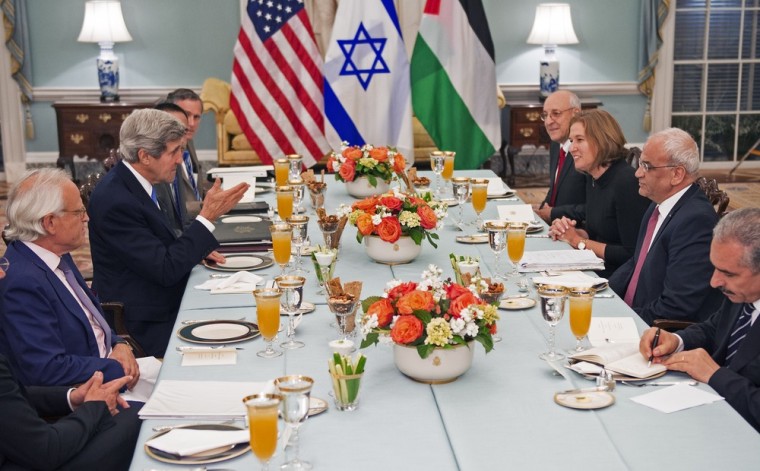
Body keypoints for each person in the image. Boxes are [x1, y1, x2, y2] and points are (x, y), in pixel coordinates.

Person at [88, 109, 249, 357]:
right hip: (146, 320)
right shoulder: (116, 200)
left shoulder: (140, 182)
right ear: (145, 156)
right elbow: (164, 269)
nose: (179, 160)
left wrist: (194, 252)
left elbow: (155, 247)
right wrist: (206, 218)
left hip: (162, 297)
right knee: (242, 336)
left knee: (245, 304)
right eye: (174, 152)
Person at [0, 168, 139, 388]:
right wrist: (116, 369)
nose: (87, 218)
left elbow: (92, 319)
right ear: (50, 223)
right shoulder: (22, 283)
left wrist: (119, 343)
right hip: (91, 397)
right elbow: (47, 369)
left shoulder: (57, 254)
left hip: (109, 371)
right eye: (78, 212)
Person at [639, 208, 760, 432]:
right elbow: (714, 329)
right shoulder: (742, 293)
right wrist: (676, 340)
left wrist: (715, 375)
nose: (714, 282)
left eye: (728, 273)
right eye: (714, 268)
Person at [609, 128, 723, 325]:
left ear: (677, 174)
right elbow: (637, 263)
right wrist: (599, 292)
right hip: (633, 312)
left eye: (647, 166)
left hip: (655, 330)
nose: (637, 173)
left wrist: (624, 319)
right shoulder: (659, 203)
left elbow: (676, 305)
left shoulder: (696, 221)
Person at [548, 109, 650, 278]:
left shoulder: (626, 183)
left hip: (616, 280)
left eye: (579, 140)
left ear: (602, 140)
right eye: (571, 140)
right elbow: (598, 233)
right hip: (595, 270)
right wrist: (570, 232)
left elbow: (632, 254)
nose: (572, 148)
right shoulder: (594, 177)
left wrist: (578, 241)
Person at [532, 90, 586, 223]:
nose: (548, 122)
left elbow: (594, 208)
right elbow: (555, 188)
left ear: (576, 114)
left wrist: (553, 212)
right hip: (554, 225)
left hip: (578, 230)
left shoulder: (586, 150)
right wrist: (540, 210)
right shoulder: (556, 145)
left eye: (556, 114)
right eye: (545, 115)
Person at [154, 101, 192, 234]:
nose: (181, 138)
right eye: (174, 132)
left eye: (184, 131)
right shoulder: (153, 172)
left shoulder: (176, 159)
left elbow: (182, 223)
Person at [166, 88, 204, 219]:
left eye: (197, 117)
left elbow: (194, 186)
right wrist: (205, 206)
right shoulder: (161, 151)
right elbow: (168, 207)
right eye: (187, 115)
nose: (191, 123)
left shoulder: (188, 141)